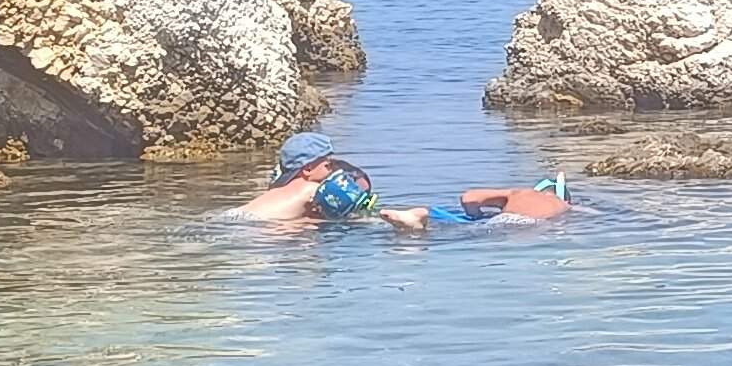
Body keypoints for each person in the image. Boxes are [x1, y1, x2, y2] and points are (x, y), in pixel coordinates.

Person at [236, 132, 569, 229]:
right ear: (308, 169)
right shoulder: (313, 188)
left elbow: (470, 197)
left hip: (233, 222)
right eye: (327, 164)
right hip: (253, 235)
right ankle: (415, 224)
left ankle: (416, 222)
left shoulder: (276, 190)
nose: (332, 170)